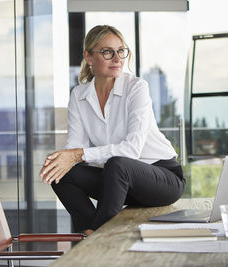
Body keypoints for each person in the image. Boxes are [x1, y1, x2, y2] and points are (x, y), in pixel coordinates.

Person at [39, 25, 185, 237]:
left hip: (162, 178)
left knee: (118, 163)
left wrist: (78, 154)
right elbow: (73, 147)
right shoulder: (79, 95)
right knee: (60, 171)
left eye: (121, 51)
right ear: (88, 57)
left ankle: (98, 233)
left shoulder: (136, 87)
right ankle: (90, 232)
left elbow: (131, 151)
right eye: (107, 52)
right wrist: (63, 158)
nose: (117, 58)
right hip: (117, 182)